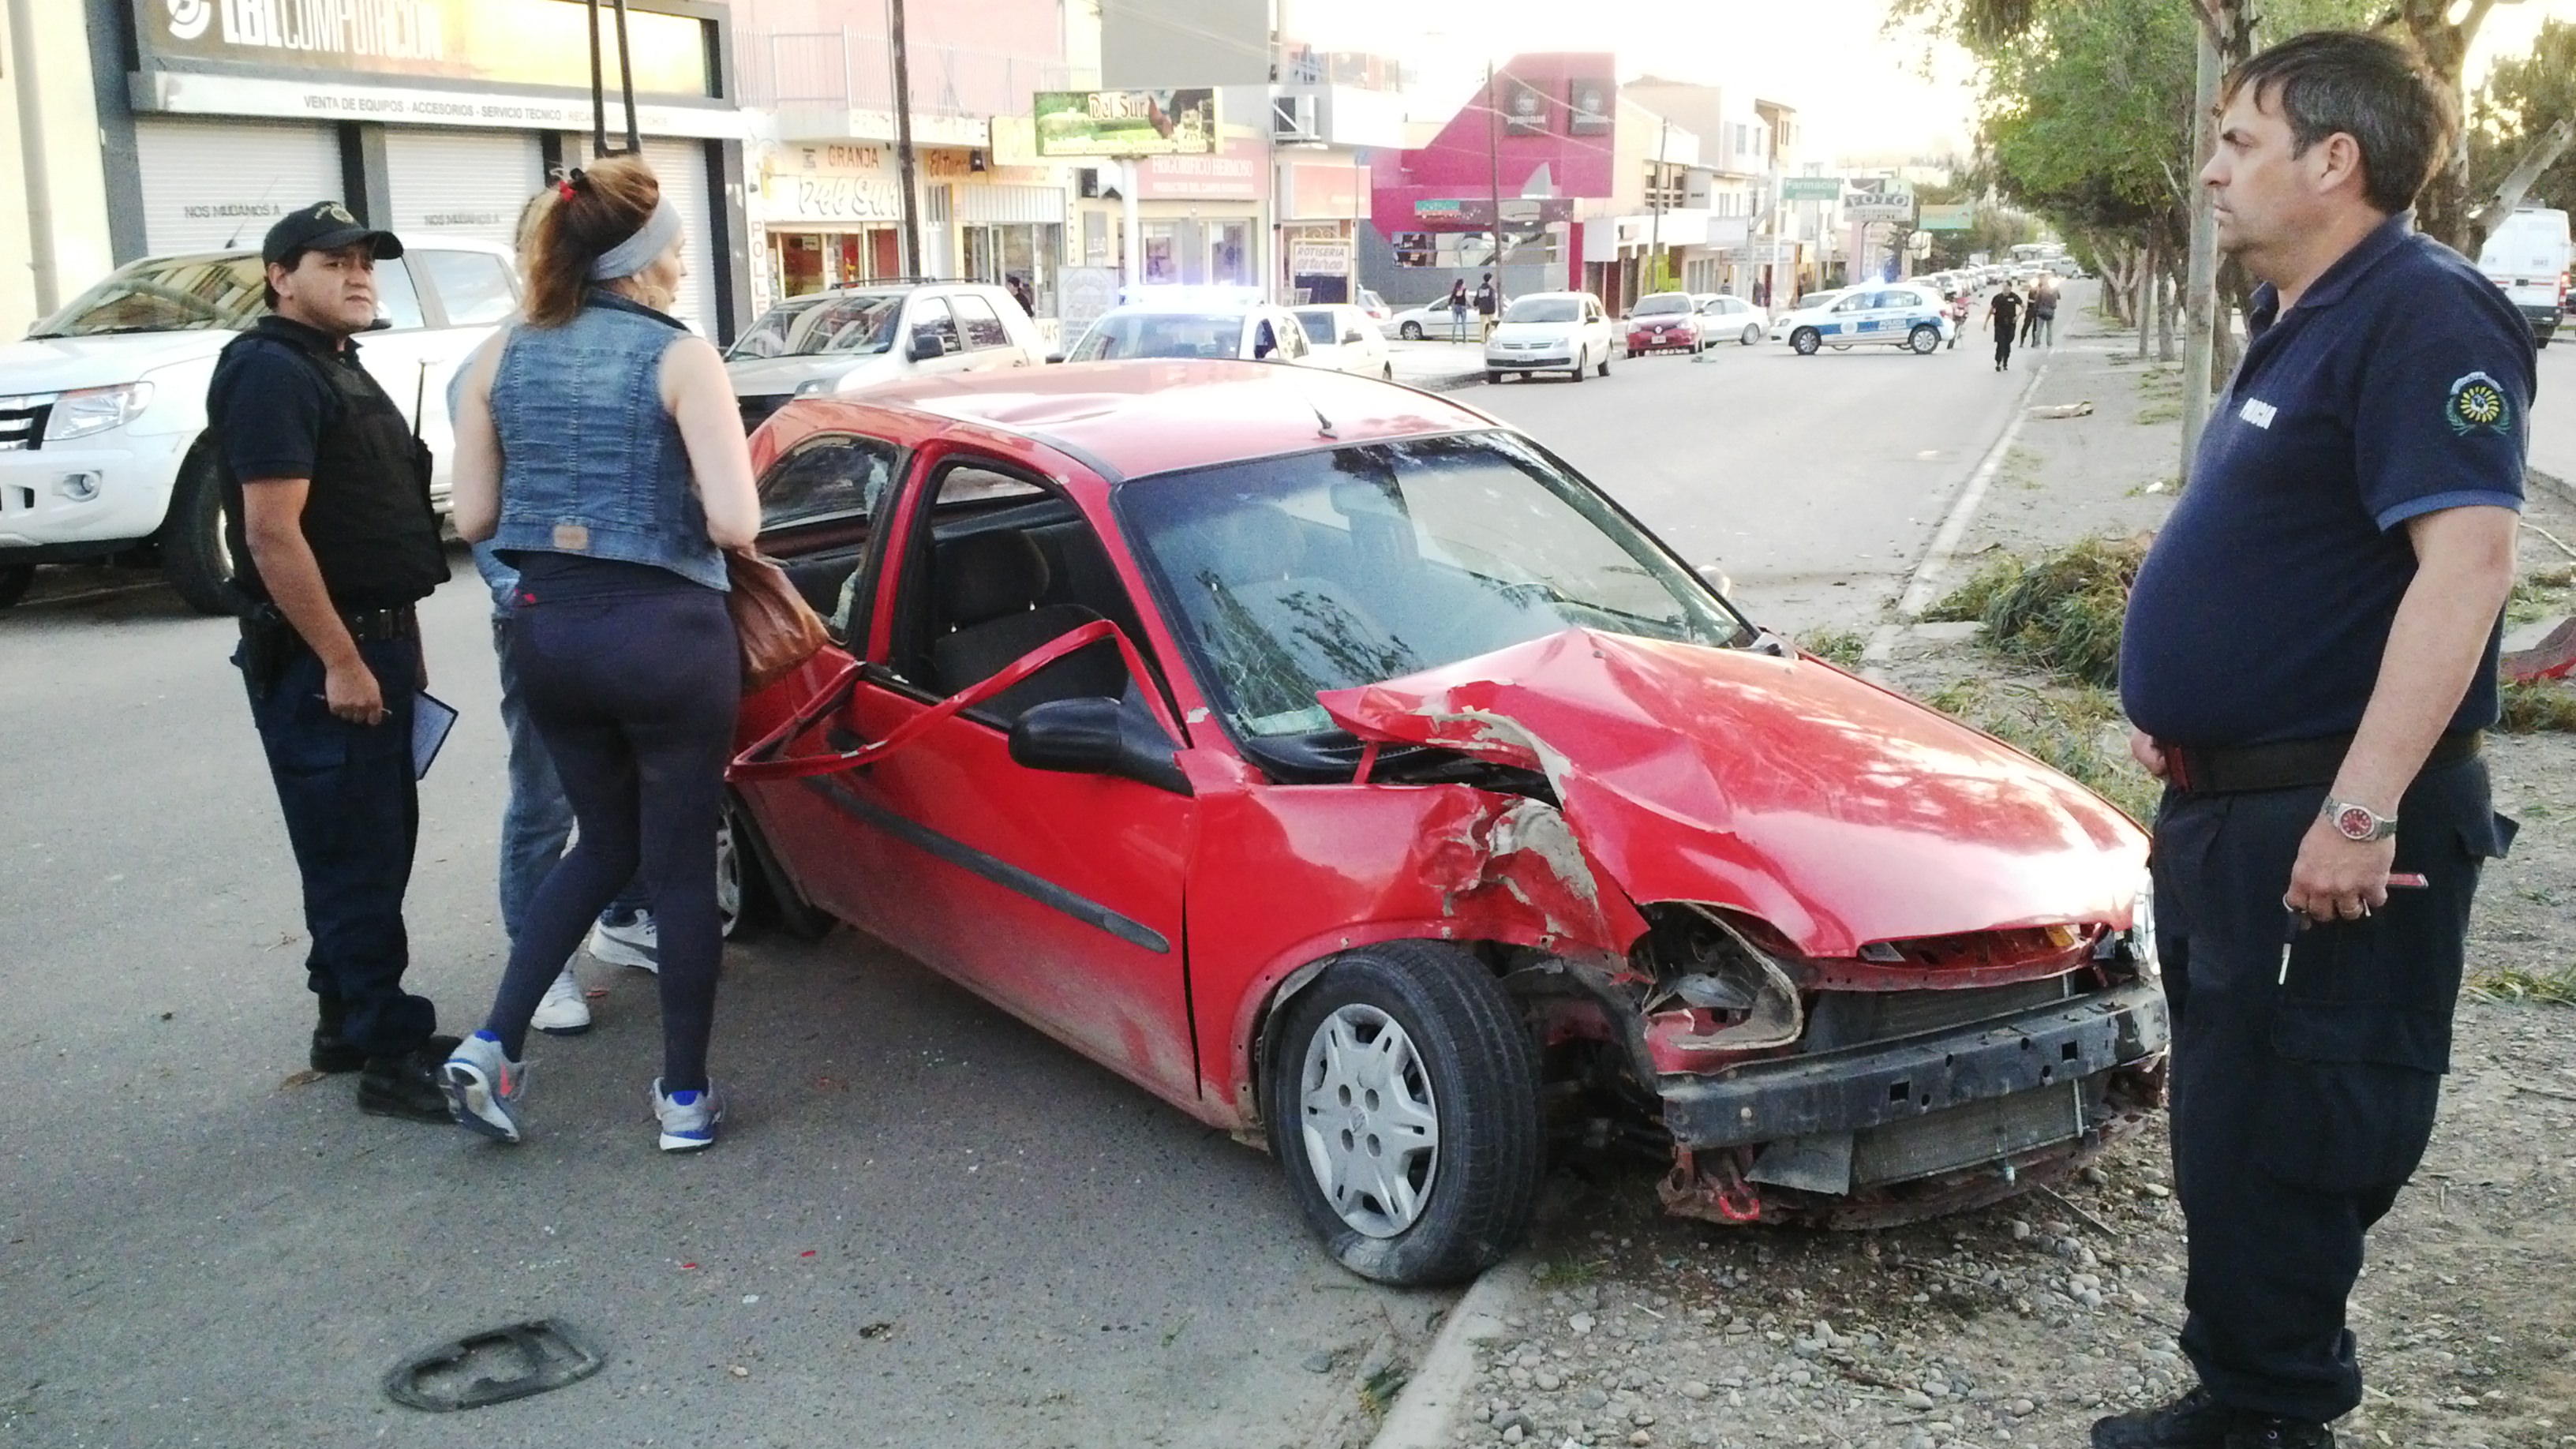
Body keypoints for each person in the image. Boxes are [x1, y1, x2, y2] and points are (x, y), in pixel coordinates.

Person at [2105, 32, 2529, 1449]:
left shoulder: (2422, 314)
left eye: (2237, 139)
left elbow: (2465, 564)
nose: (2210, 167)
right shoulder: (2307, 313)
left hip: (2319, 825)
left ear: (2331, 160)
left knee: (2291, 1133)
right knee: (2229, 1134)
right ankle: (2245, 1396)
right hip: (2239, 811)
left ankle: (2274, 1417)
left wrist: (2354, 812)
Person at [440, 156, 762, 1152]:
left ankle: (493, 1043)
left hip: (550, 632)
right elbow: (735, 520)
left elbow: (479, 515)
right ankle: (682, 1099)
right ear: (647, 257)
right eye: (674, 246)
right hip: (665, 637)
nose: (680, 264)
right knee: (674, 866)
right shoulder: (680, 357)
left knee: (603, 841)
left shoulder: (502, 354)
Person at [212, 201, 455, 1121]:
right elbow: (273, 538)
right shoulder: (271, 372)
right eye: (333, 261)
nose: (359, 276)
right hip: (330, 656)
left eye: (367, 263)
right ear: (280, 275)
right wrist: (343, 662)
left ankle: (348, 1022)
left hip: (374, 642)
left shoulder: (332, 364)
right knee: (357, 853)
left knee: (364, 847)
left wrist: (397, 649)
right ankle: (391, 1055)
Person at [1984, 283, 2024, 371]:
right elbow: (1991, 311)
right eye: (2004, 287)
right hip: (1999, 324)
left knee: (2007, 343)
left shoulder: (2014, 297)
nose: (2005, 289)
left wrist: (2018, 316)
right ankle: (1998, 362)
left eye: (2007, 287)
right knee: (2000, 342)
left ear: (2010, 288)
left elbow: (2023, 307)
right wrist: (1985, 323)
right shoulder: (1997, 298)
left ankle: (2005, 361)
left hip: (2011, 324)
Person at [1473, 272, 1500, 340]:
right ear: (1490, 279)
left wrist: (1476, 305)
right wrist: (1494, 308)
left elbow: (1477, 298)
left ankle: (1482, 339)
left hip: (1482, 309)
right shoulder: (1491, 289)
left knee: (1482, 325)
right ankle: (1489, 337)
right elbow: (1492, 299)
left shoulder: (1480, 289)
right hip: (1490, 309)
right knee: (1491, 324)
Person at [1447, 277, 1470, 342]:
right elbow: (1467, 299)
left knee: (1455, 323)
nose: (1465, 284)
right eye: (1464, 283)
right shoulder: (1465, 290)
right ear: (1462, 284)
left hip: (1456, 307)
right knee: (1464, 323)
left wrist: (1449, 305)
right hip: (1463, 307)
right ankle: (1464, 338)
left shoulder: (1455, 290)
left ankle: (1453, 338)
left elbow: (1451, 299)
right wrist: (1472, 306)